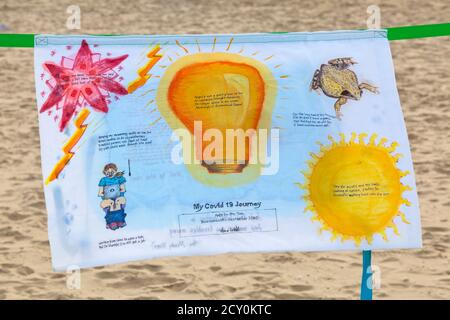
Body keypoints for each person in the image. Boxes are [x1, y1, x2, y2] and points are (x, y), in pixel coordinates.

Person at [98, 163, 127, 230]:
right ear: (104, 172)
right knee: (110, 211)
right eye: (108, 172)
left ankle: (120, 221)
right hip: (108, 199)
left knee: (120, 209)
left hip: (118, 197)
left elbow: (122, 187)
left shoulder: (119, 178)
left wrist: (121, 196)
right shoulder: (103, 180)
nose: (110, 174)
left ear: (115, 171)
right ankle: (111, 222)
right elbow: (101, 191)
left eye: (112, 172)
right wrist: (104, 199)